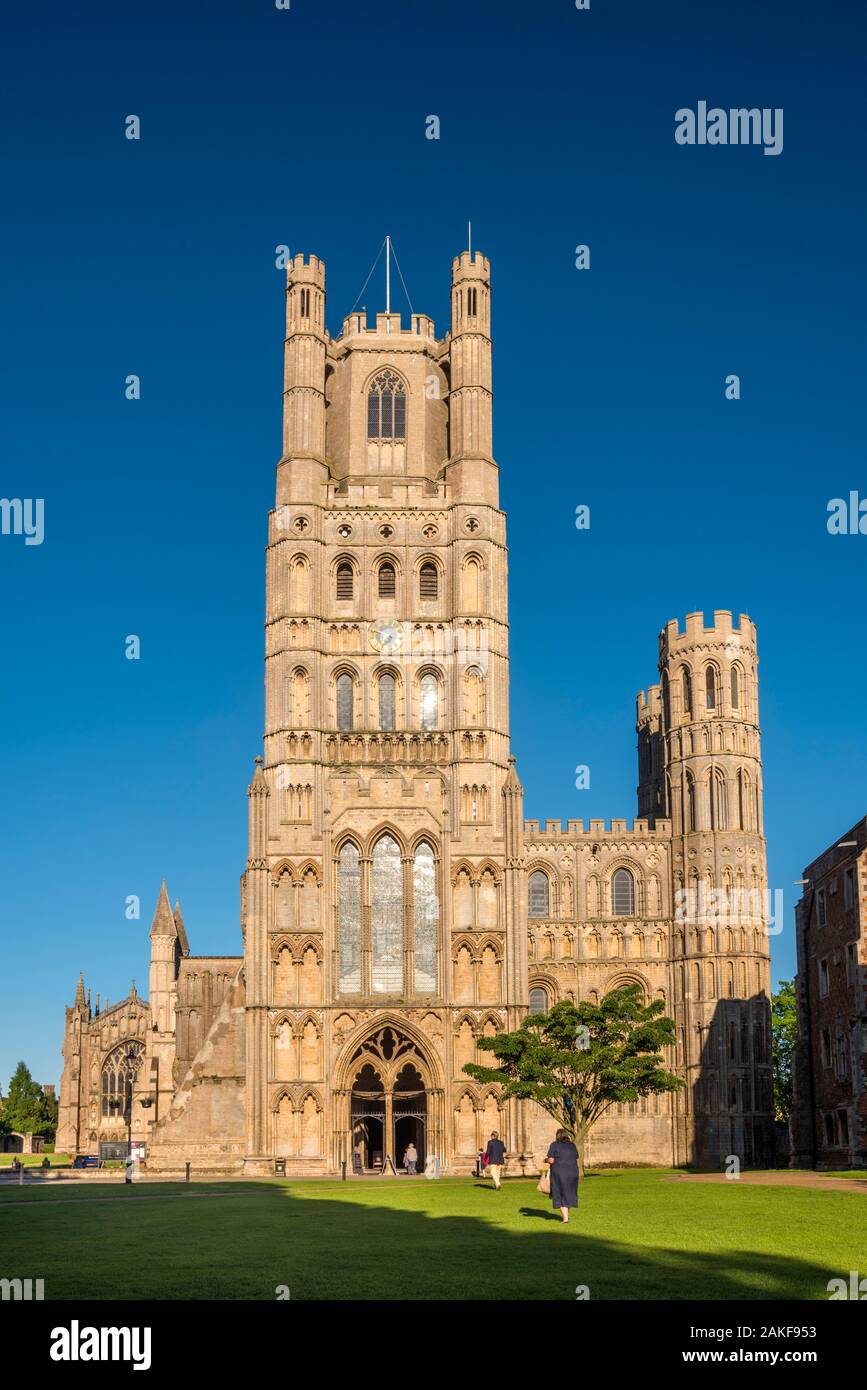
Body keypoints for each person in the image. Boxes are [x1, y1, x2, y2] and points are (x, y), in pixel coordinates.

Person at [545, 1128, 579, 1223]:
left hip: (560, 1173)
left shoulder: (554, 1145)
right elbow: (576, 1157)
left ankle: (565, 1218)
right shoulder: (572, 1145)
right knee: (569, 1193)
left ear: (557, 1136)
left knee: (559, 1193)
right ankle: (566, 1217)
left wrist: (545, 1160)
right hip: (573, 1172)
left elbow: (551, 1160)